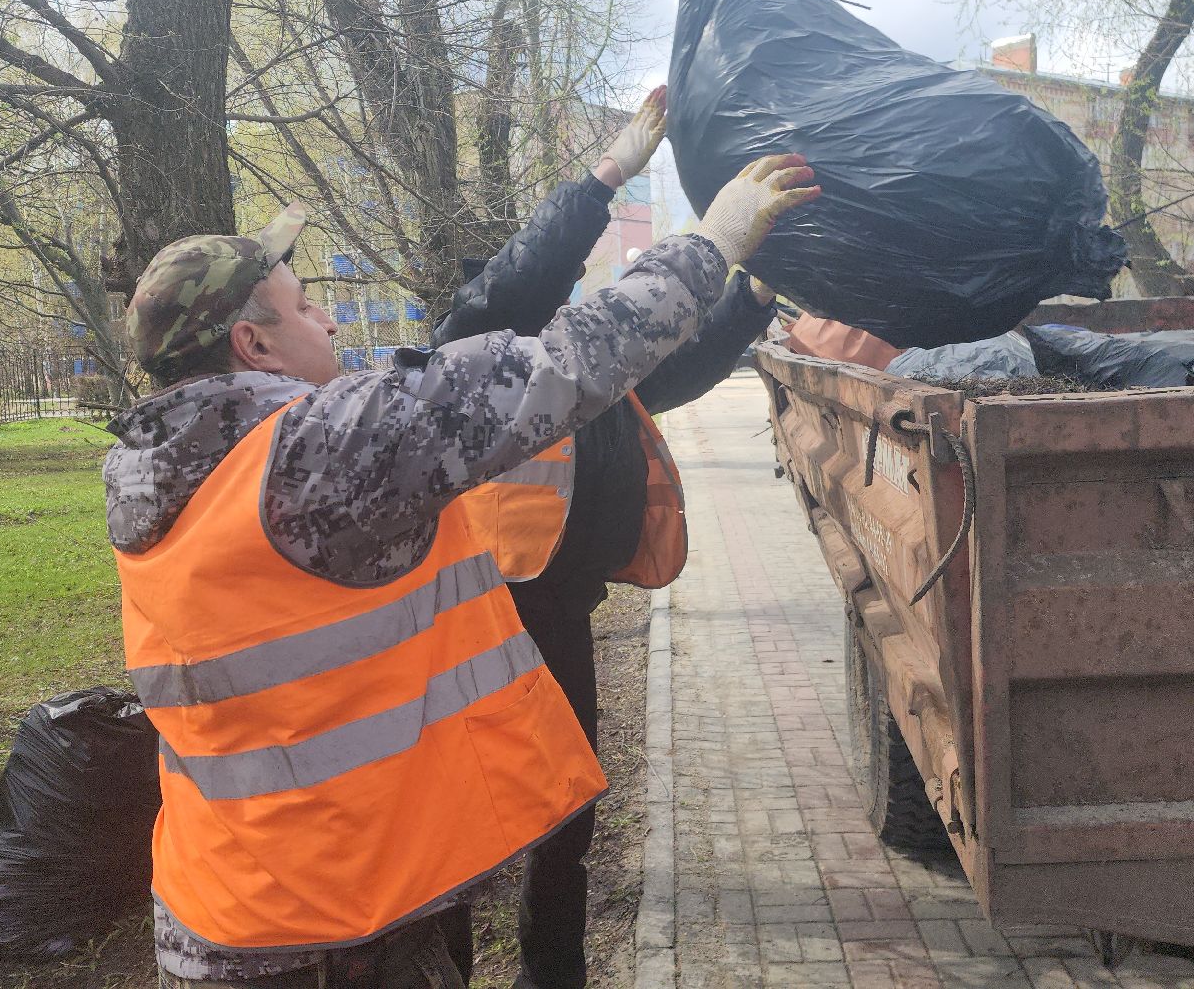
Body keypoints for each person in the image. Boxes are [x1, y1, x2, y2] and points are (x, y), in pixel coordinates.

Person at [102, 151, 821, 987]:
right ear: (252, 344)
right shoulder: (315, 455)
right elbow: (568, 360)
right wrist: (713, 240)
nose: (330, 322)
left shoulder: (157, 468)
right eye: (307, 307)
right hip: (335, 934)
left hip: (220, 910)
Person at [430, 86, 785, 989]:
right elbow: (522, 276)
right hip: (483, 620)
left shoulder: (582, 385)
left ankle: (553, 977)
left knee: (568, 811)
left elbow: (683, 366)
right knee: (467, 824)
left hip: (559, 617)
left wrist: (751, 300)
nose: (561, 300)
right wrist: (606, 175)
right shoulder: (480, 361)